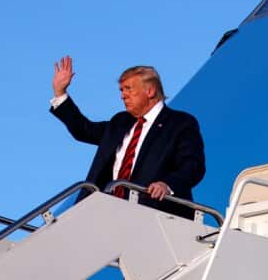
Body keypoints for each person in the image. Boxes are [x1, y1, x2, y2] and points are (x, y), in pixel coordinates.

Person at [49, 56, 205, 220]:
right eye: (121, 90)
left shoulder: (180, 123)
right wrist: (60, 93)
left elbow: (192, 166)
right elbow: (83, 130)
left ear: (150, 91)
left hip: (154, 214)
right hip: (105, 213)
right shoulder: (120, 122)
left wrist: (167, 184)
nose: (123, 96)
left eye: (128, 89)